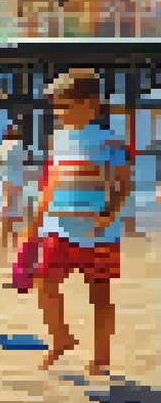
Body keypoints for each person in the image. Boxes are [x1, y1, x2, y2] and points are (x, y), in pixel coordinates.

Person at [24, 69, 133, 376]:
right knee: (43, 281)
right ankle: (60, 337)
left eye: (66, 105)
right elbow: (52, 181)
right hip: (60, 226)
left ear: (92, 104)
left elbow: (123, 182)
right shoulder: (58, 138)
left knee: (100, 294)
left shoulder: (110, 141)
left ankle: (100, 357)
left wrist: (108, 214)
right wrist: (36, 219)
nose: (59, 112)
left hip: (99, 233)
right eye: (56, 106)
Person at [0, 125, 34, 263]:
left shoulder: (1, 146)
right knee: (16, 214)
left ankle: (3, 246)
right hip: (18, 181)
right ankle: (15, 245)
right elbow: (27, 162)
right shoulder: (20, 145)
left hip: (6, 181)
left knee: (6, 212)